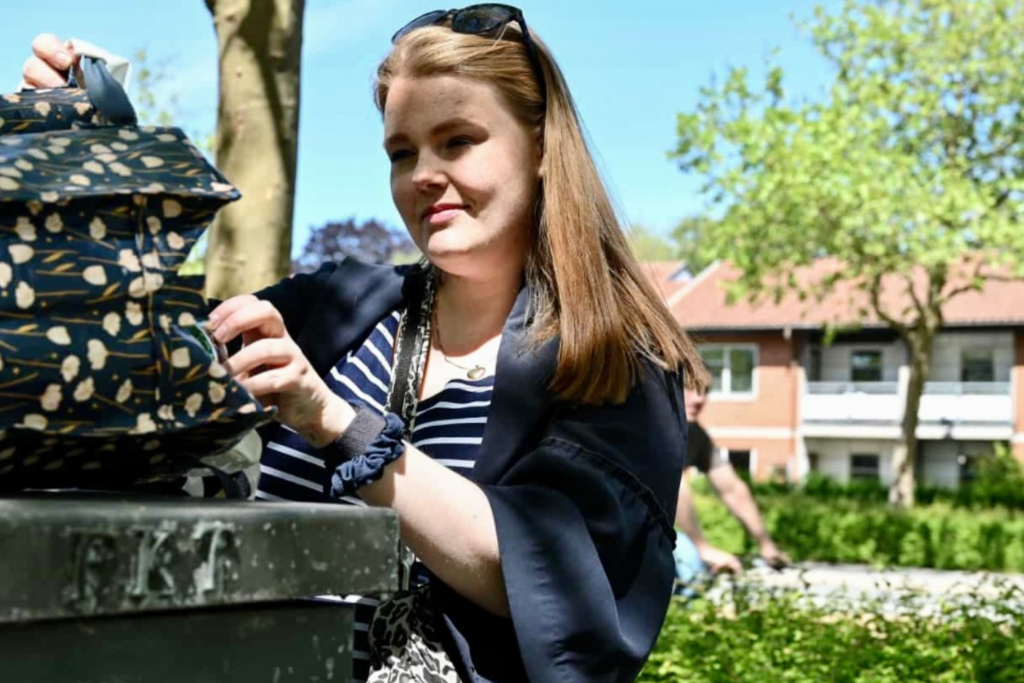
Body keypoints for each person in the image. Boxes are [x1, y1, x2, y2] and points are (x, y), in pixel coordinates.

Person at [22, 7, 708, 683]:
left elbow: (549, 575)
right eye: (401, 152)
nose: (423, 175)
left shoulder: (617, 358)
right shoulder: (340, 309)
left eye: (458, 140)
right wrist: (84, 160)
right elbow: (128, 370)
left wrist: (337, 424)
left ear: (540, 149)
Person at [673, 388, 791, 594]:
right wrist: (703, 548)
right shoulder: (653, 427)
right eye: (690, 388)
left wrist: (766, 544)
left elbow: (732, 488)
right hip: (617, 525)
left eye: (704, 391)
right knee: (691, 569)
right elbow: (671, 483)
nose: (699, 398)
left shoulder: (695, 435)